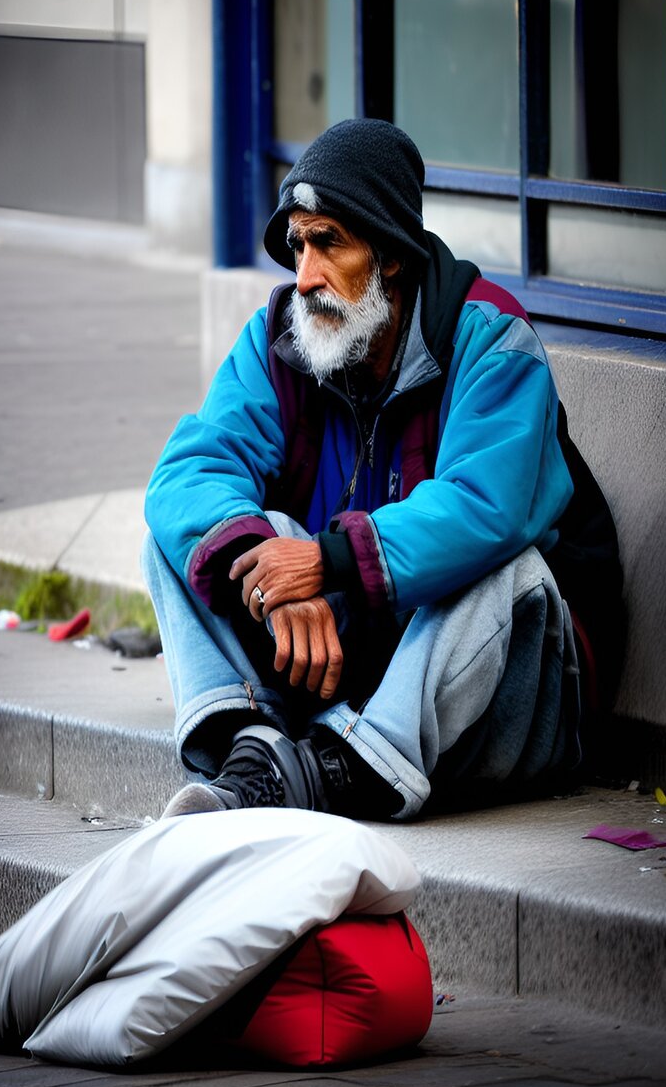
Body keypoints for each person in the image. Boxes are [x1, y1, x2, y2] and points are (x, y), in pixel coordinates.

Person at [143, 118, 624, 822]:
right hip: (355, 666)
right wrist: (272, 570)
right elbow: (189, 470)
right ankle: (252, 747)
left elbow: (485, 507)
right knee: (195, 534)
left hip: (508, 691)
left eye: (328, 243)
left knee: (502, 564)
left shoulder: (491, 339)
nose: (305, 276)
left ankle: (350, 768)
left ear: (390, 254)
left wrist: (326, 562)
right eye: (298, 245)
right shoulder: (280, 341)